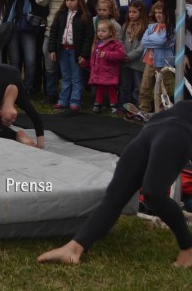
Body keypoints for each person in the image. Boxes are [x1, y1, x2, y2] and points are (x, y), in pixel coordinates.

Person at [37, 100, 192, 267]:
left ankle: (188, 248)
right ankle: (74, 248)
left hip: (172, 128)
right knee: (115, 195)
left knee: (153, 195)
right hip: (156, 127)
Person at [36, 0, 85, 106]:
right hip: (51, 32)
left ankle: (71, 97)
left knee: (70, 69)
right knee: (50, 66)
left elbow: (84, 0)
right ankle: (51, 93)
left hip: (70, 35)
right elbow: (39, 1)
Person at [48, 0, 94, 113]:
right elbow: (54, 32)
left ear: (79, 0)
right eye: (67, 0)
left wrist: (84, 54)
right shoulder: (61, 13)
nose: (69, 3)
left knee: (76, 77)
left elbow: (88, 37)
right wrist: (52, 49)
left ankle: (75, 101)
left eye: (72, 0)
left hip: (76, 51)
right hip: (62, 49)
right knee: (66, 76)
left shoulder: (85, 16)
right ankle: (63, 100)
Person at [6, 0, 40, 95]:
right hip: (14, 24)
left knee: (30, 60)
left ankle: (28, 88)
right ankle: (16, 89)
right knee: (14, 60)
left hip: (29, 26)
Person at [137, 1, 174, 113]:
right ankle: (144, 110)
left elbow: (164, 42)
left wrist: (151, 39)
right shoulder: (151, 26)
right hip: (149, 61)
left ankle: (162, 112)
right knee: (145, 87)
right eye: (156, 12)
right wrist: (156, 40)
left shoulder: (171, 27)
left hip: (163, 62)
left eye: (161, 12)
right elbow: (144, 42)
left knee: (163, 89)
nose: (158, 15)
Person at [89, 20, 126, 114]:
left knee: (111, 90)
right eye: (99, 31)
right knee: (99, 89)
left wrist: (107, 54)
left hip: (110, 72)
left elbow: (121, 55)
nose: (100, 33)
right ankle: (97, 105)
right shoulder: (97, 43)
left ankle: (114, 106)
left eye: (103, 31)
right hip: (99, 72)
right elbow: (93, 58)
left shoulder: (116, 44)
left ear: (110, 32)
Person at [119, 0, 147, 115]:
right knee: (125, 85)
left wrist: (130, 56)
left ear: (141, 12)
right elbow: (120, 40)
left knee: (138, 86)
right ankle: (123, 104)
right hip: (125, 61)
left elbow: (142, 47)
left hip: (137, 62)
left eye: (134, 12)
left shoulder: (145, 27)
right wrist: (122, 54)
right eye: (130, 12)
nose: (131, 14)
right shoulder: (125, 25)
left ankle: (136, 107)